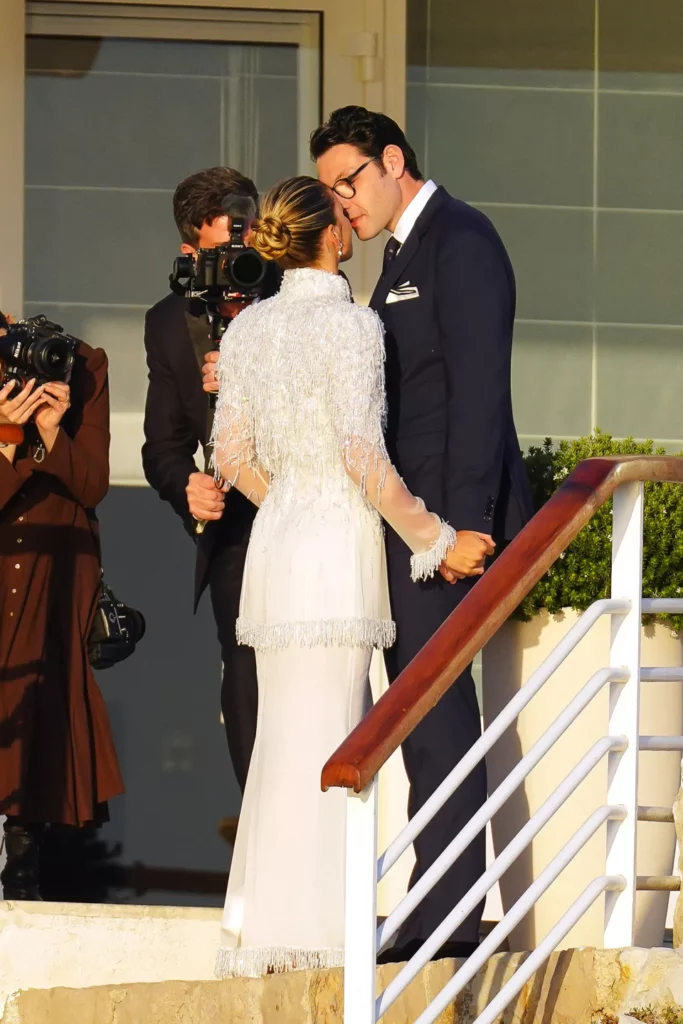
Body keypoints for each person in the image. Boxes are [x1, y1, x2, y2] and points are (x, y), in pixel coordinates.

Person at [209, 175, 490, 977]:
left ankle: (268, 932)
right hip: (333, 544)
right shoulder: (354, 325)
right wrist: (435, 538)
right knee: (334, 731)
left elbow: (230, 456)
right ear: (331, 234)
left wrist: (289, 499)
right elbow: (363, 457)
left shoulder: (247, 328)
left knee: (282, 739)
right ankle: (323, 940)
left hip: (277, 544)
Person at [311, 106, 534, 962]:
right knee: (420, 721)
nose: (343, 203)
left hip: (444, 529)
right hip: (414, 529)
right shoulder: (399, 254)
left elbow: (479, 393)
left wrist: (460, 528)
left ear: (393, 160)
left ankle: (443, 919)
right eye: (330, 190)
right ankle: (434, 905)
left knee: (436, 720)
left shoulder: (460, 239)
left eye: (350, 181)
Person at [141, 167, 281, 792]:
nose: (239, 256)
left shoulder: (297, 293)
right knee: (244, 670)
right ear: (189, 249)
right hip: (234, 528)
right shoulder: (168, 321)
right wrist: (187, 490)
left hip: (312, 510)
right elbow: (163, 446)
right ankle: (259, 819)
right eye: (225, 243)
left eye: (247, 238)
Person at [0, 311, 123, 899]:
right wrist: (6, 437)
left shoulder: (79, 363)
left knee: (40, 700)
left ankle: (22, 874)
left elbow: (93, 484)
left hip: (53, 572)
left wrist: (51, 430)